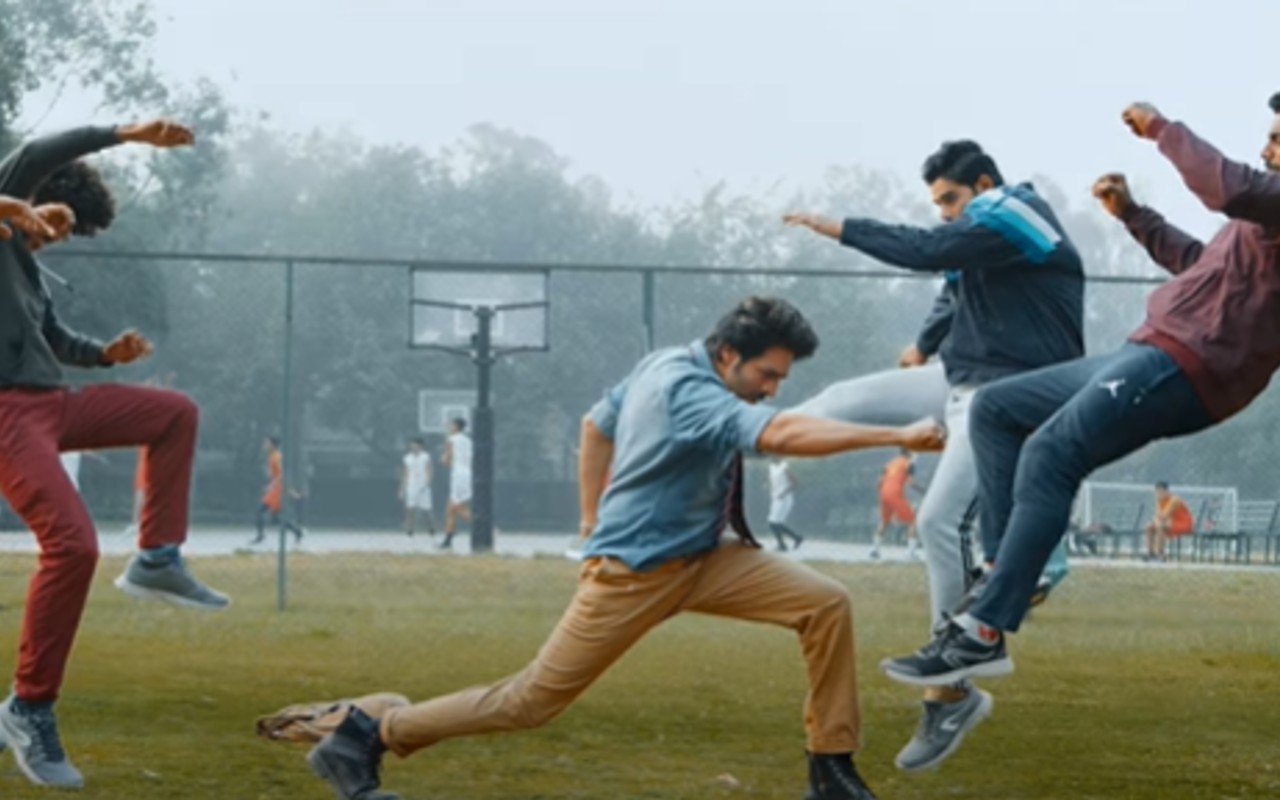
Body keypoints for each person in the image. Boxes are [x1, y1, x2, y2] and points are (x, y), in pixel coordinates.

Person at [302, 296, 945, 800]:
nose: (772, 387)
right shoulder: (688, 392)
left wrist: (588, 518)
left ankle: (830, 769)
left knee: (825, 603)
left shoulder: (663, 361)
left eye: (781, 377)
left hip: (707, 559)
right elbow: (777, 436)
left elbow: (595, 425)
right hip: (634, 573)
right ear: (727, 355)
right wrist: (894, 435)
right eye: (766, 374)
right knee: (530, 702)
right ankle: (365, 738)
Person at [881, 96, 1280, 693]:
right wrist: (1134, 216)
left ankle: (984, 630)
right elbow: (1203, 266)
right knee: (996, 407)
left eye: (1277, 139)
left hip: (1189, 364)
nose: (1266, 149)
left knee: (1051, 451)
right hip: (1148, 350)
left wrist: (1162, 130)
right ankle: (1002, 573)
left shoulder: (1267, 198)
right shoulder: (1263, 220)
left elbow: (1228, 187)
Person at [782, 138, 1084, 771]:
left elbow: (927, 251)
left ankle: (951, 691)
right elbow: (952, 287)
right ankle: (731, 438)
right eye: (938, 204)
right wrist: (922, 345)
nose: (945, 213)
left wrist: (839, 227)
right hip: (959, 379)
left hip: (1009, 394)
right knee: (839, 398)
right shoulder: (981, 234)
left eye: (951, 199)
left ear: (983, 186)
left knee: (938, 521)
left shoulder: (1015, 209)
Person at [0, 120, 230, 790]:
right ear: (35, 197)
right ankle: (28, 708)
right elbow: (36, 155)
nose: (54, 234)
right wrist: (126, 133)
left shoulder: (26, 271)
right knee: (72, 546)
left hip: (51, 404)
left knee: (174, 413)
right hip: (7, 416)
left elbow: (53, 338)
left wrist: (105, 355)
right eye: (55, 220)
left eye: (65, 233)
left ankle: (157, 558)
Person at [251, 435, 304, 545]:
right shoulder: (272, 456)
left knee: (261, 511)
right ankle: (297, 531)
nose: (264, 445)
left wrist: (273, 486)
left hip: (277, 490)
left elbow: (281, 474)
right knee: (275, 518)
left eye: (267, 443)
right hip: (278, 488)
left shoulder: (276, 457)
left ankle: (260, 536)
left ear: (272, 445)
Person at [870, 449, 923, 560]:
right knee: (912, 522)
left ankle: (875, 550)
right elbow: (911, 482)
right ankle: (910, 554)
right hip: (895, 493)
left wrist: (882, 494)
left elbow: (879, 482)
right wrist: (923, 491)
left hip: (883, 493)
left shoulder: (889, 464)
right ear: (909, 453)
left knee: (884, 522)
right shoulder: (908, 464)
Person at [439, 418, 472, 550]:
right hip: (468, 473)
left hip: (458, 475)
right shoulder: (468, 440)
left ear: (457, 427)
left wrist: (443, 458)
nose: (449, 427)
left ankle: (483, 527)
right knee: (450, 510)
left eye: (451, 425)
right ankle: (448, 540)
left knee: (458, 507)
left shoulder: (451, 439)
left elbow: (446, 460)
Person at [1143, 481, 1193, 561]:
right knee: (1149, 527)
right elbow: (1157, 515)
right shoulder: (1159, 500)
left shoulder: (1174, 500)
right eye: (1157, 492)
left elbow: (1164, 515)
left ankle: (1160, 554)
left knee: (1160, 527)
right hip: (1169, 523)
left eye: (1160, 492)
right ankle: (1150, 553)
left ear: (1166, 491)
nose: (1158, 494)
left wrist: (1158, 521)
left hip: (1183, 524)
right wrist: (1156, 521)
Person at [399, 436, 436, 537]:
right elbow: (405, 474)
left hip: (423, 486)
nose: (413, 446)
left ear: (420, 446)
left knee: (426, 510)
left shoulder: (426, 457)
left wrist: (427, 482)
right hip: (411, 486)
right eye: (412, 444)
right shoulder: (407, 458)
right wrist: (402, 489)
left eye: (415, 444)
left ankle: (431, 529)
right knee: (410, 509)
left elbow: (429, 471)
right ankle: (409, 530)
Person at [765, 456, 803, 551]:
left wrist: (783, 493)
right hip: (775, 498)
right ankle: (795, 538)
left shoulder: (784, 467)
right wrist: (768, 484)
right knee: (776, 523)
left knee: (773, 522)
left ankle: (783, 544)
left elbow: (795, 483)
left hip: (784, 499)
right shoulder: (771, 467)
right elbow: (772, 480)